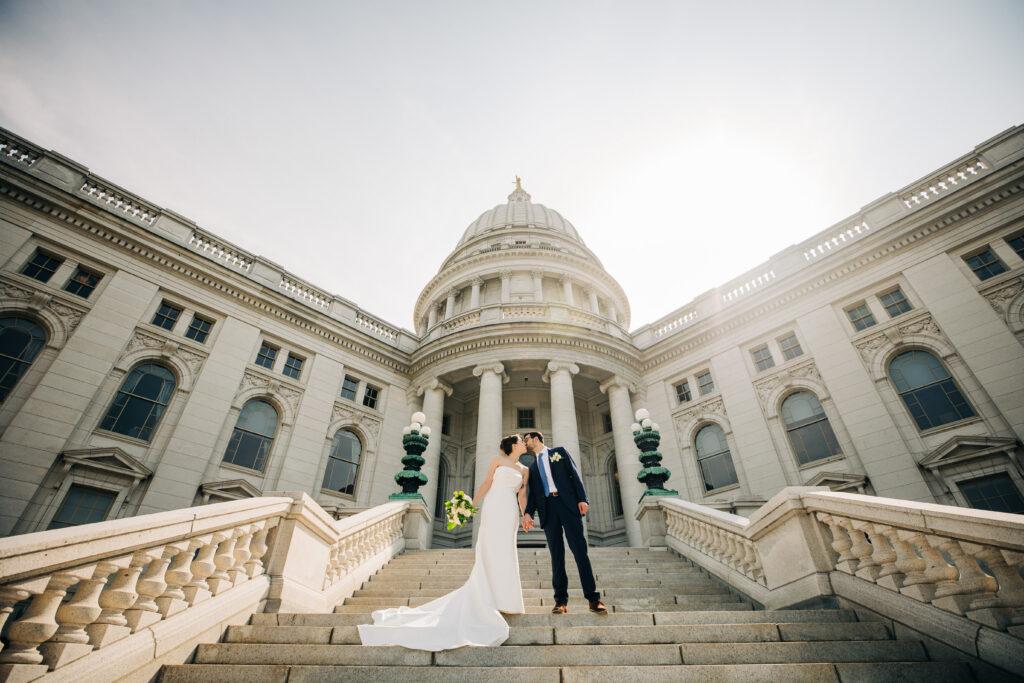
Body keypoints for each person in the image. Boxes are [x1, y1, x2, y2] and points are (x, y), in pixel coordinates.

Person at [357, 434, 529, 650]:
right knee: (490, 549)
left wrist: (525, 514)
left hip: (510, 510)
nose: (525, 443)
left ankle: (507, 598)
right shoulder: (497, 460)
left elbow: (522, 495)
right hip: (494, 505)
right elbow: (487, 483)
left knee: (506, 552)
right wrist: (471, 506)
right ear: (514, 445)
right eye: (522, 441)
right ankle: (488, 594)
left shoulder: (525, 470)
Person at [521, 431, 607, 614]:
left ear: (536, 439)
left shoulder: (558, 452)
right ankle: (560, 601)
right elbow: (534, 495)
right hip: (548, 510)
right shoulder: (533, 467)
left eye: (527, 439)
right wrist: (528, 513)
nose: (525, 443)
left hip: (567, 505)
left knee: (579, 551)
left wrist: (582, 499)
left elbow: (574, 475)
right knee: (556, 556)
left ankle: (593, 599)